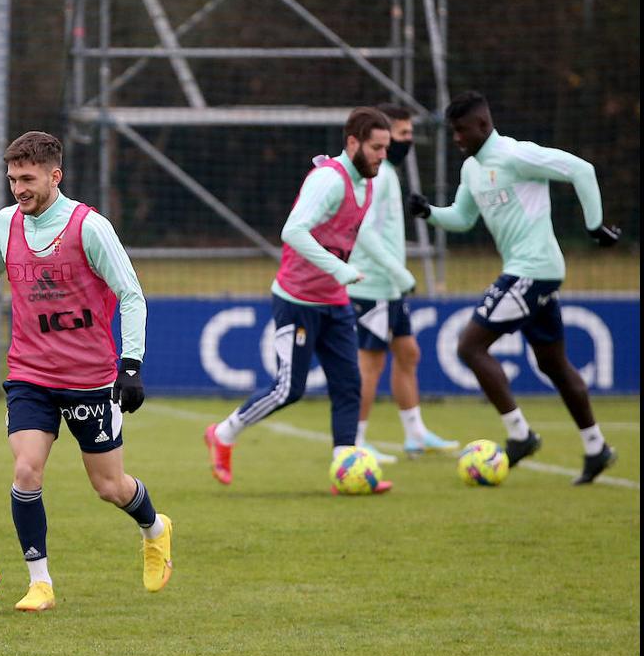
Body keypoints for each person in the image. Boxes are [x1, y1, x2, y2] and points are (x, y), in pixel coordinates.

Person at [0, 131, 171, 611]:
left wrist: (130, 365)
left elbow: (131, 294)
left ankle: (155, 529)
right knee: (26, 470)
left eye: (27, 179)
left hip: (90, 377)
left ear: (55, 176)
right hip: (30, 372)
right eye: (12, 179)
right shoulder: (4, 225)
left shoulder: (89, 228)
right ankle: (40, 583)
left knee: (109, 486)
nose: (18, 189)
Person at [409, 91, 621, 484]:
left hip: (533, 269)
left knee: (469, 347)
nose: (455, 138)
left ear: (483, 126)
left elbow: (582, 170)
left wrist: (595, 226)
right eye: (452, 131)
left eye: (460, 130)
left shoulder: (516, 154)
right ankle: (597, 448)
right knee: (552, 363)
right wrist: (429, 213)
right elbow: (462, 217)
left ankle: (520, 436)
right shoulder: (473, 169)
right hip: (527, 270)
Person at [204, 108, 394, 494]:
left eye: (386, 148)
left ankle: (347, 469)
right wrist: (339, 270)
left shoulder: (367, 182)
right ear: (353, 142)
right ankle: (223, 433)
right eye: (376, 147)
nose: (382, 155)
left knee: (348, 384)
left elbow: (354, 233)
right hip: (298, 299)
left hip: (334, 301)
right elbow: (293, 231)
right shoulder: (328, 180)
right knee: (289, 389)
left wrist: (391, 269)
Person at [347, 103, 458, 463]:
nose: (409, 140)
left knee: (409, 353)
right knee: (371, 365)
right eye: (404, 134)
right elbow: (361, 229)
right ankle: (356, 440)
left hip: (390, 287)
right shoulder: (375, 176)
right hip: (373, 284)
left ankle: (415, 434)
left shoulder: (389, 173)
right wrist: (396, 271)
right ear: (383, 136)